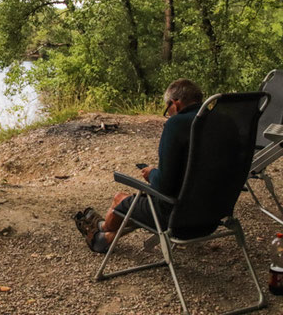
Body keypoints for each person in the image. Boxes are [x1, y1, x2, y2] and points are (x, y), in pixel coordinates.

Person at [75, 78, 204, 253]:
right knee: (136, 204)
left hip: (179, 218)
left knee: (121, 199)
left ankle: (102, 231)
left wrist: (151, 173)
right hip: (215, 213)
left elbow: (164, 185)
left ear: (176, 103)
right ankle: (103, 233)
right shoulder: (223, 122)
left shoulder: (177, 125)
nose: (169, 114)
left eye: (168, 109)